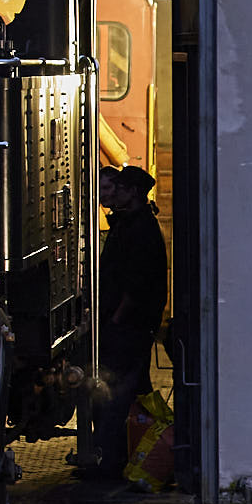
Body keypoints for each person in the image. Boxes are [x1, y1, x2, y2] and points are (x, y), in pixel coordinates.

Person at [79, 166, 169, 479]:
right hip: (132, 324)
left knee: (112, 393)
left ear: (132, 192)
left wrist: (113, 321)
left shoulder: (138, 229)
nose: (110, 193)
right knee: (133, 391)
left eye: (117, 188)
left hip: (127, 326)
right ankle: (140, 458)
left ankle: (108, 461)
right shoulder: (132, 224)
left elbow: (135, 284)